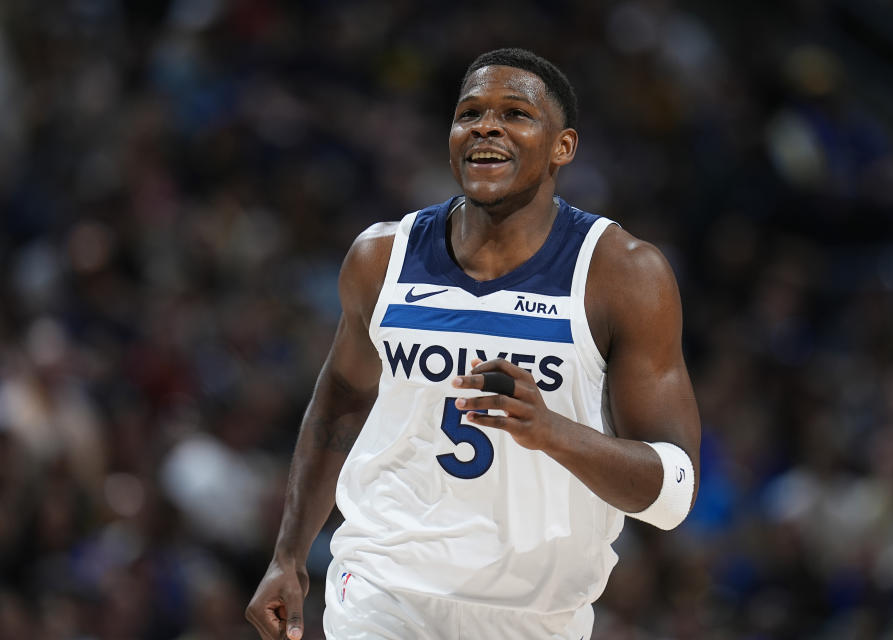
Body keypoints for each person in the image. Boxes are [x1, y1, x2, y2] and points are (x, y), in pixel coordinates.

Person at [246, 47, 701, 640]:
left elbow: (674, 493)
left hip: (538, 613)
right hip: (385, 590)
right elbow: (341, 399)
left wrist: (552, 430)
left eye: (515, 113)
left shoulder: (623, 274)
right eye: (470, 113)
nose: (487, 125)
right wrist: (288, 555)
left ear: (563, 147)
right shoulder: (382, 256)